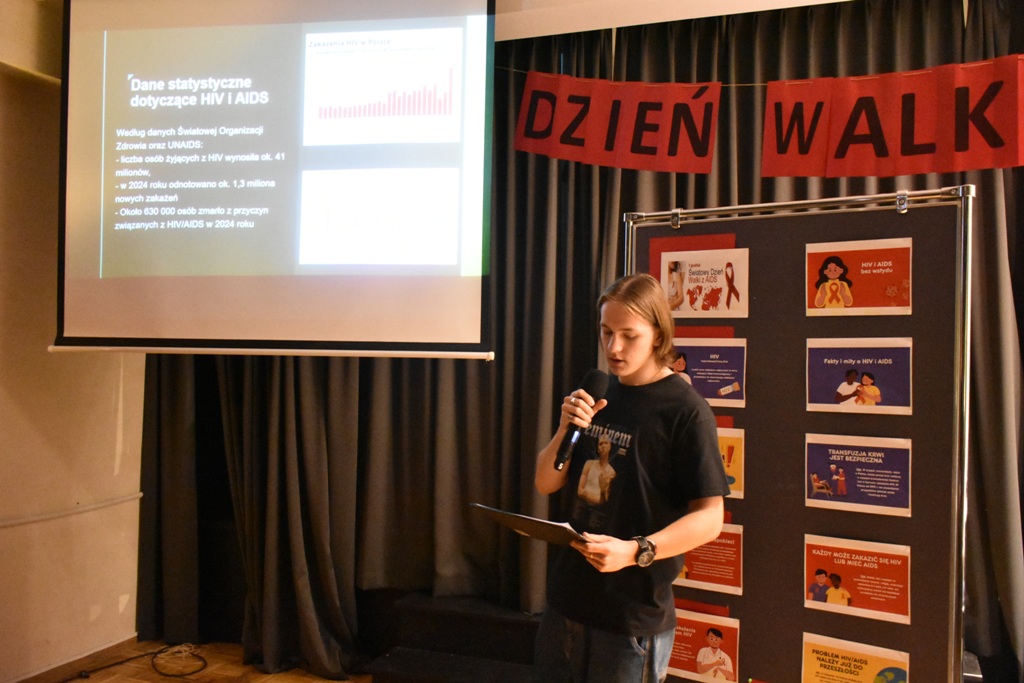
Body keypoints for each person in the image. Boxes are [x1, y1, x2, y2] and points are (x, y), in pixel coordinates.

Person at [533, 273, 730, 683]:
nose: (613, 348)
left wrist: (635, 550)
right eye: (606, 332)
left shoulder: (686, 411)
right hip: (566, 602)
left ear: (658, 335)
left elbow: (711, 518)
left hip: (630, 618)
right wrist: (565, 427)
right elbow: (545, 483)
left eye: (629, 335)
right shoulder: (599, 392)